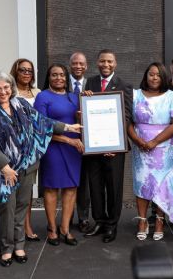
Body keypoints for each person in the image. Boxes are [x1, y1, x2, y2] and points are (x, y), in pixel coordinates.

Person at [0, 71, 81, 267]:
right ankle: (6, 248)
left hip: (26, 165)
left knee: (21, 207)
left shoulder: (22, 104)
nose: (3, 91)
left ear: (12, 88)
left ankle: (19, 245)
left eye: (6, 87)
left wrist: (68, 128)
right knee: (6, 209)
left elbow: (43, 122)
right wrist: (5, 167)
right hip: (4, 171)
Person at [127, 62, 173, 241]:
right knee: (142, 184)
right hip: (140, 147)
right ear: (146, 76)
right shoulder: (134, 95)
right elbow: (128, 123)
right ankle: (142, 221)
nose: (154, 77)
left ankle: (159, 221)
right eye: (151, 74)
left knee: (162, 185)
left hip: (165, 149)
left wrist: (155, 141)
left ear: (163, 77)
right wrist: (139, 141)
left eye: (158, 74)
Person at [83, 49, 133, 243]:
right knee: (95, 185)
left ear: (115, 63)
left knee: (113, 186)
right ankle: (99, 221)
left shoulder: (124, 85)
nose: (106, 64)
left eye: (109, 61)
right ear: (97, 62)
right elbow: (87, 111)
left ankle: (112, 225)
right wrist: (85, 98)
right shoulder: (91, 83)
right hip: (94, 145)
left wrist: (116, 142)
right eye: (102, 61)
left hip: (114, 147)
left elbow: (126, 115)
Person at [35, 63, 84, 246]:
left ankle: (65, 229)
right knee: (51, 188)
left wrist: (85, 108)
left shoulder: (73, 97)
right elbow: (42, 126)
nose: (59, 78)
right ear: (48, 77)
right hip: (53, 147)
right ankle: (51, 228)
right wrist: (68, 140)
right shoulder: (42, 96)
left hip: (74, 149)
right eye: (54, 75)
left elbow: (80, 120)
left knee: (71, 188)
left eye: (62, 75)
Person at [10, 58, 41, 242]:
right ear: (15, 72)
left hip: (32, 149)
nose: (26, 73)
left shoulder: (38, 93)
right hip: (13, 148)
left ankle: (27, 224)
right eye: (22, 70)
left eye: (30, 70)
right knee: (13, 188)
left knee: (27, 189)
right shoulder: (9, 91)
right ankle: (12, 228)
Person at [68, 52, 91, 233]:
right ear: (70, 65)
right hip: (65, 140)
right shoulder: (60, 81)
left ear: (86, 66)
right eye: (74, 63)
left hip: (88, 140)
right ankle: (65, 219)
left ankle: (83, 217)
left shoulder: (92, 85)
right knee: (64, 181)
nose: (78, 66)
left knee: (84, 181)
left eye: (81, 63)